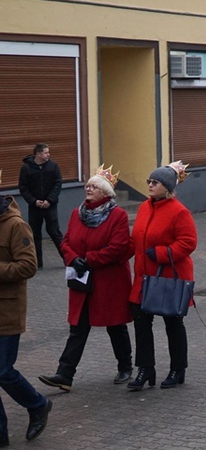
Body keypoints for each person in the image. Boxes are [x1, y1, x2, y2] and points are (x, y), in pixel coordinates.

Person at [38, 165, 133, 392]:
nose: (88, 189)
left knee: (115, 325)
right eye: (88, 185)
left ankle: (125, 365)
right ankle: (65, 374)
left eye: (94, 186)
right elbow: (66, 241)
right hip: (83, 280)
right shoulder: (77, 213)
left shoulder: (117, 215)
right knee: (78, 328)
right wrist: (72, 259)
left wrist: (89, 259)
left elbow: (118, 248)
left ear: (106, 192)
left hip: (109, 281)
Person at [128, 161, 197, 390]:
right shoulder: (144, 207)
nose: (150, 185)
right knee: (141, 322)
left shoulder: (179, 211)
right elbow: (136, 238)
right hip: (143, 276)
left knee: (172, 323)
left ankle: (178, 369)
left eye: (155, 182)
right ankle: (145, 368)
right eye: (149, 181)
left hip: (169, 277)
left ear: (167, 187)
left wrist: (160, 253)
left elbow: (188, 242)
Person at [0, 170, 53, 445]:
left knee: (3, 372)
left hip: (7, 311)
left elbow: (29, 266)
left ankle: (37, 405)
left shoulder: (16, 225)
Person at [18, 143, 64, 269]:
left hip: (50, 206)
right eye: (45, 152)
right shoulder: (26, 169)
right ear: (38, 154)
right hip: (35, 207)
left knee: (55, 232)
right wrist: (33, 201)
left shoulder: (53, 166)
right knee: (34, 234)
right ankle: (37, 263)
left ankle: (68, 259)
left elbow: (58, 183)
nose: (48, 154)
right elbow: (23, 188)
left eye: (48, 152)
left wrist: (50, 200)